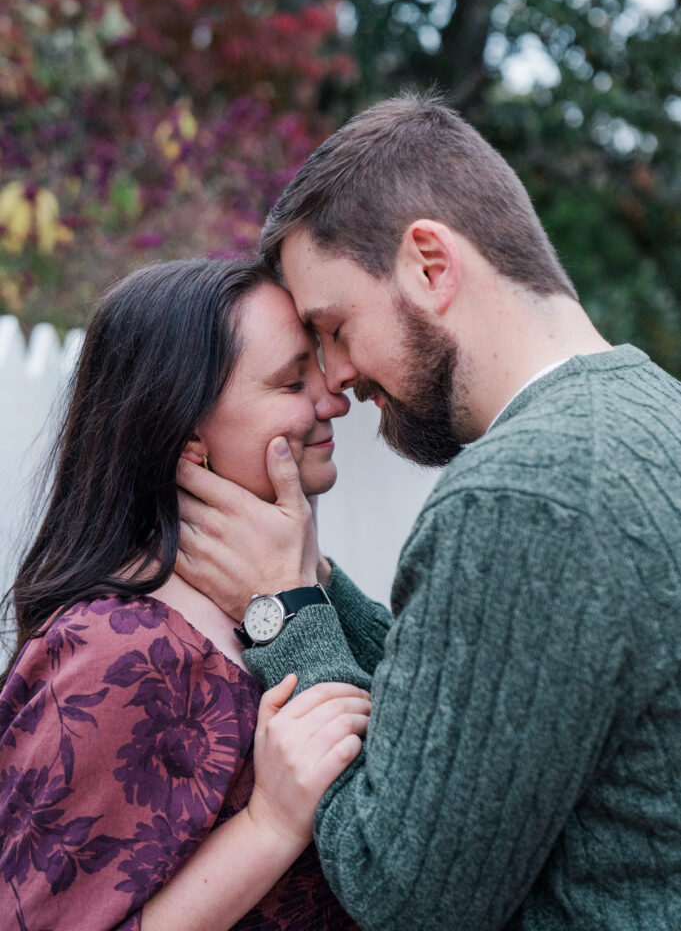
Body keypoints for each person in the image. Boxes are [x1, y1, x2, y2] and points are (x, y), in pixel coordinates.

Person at [174, 93, 681, 931]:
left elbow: (403, 892)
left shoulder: (526, 494)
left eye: (332, 328)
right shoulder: (651, 414)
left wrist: (282, 611)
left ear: (429, 265)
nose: (334, 379)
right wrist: (312, 582)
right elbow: (485, 722)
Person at [0, 258, 371, 931]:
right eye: (292, 380)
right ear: (188, 435)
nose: (332, 397)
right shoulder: (117, 650)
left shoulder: (287, 604)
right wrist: (269, 826)